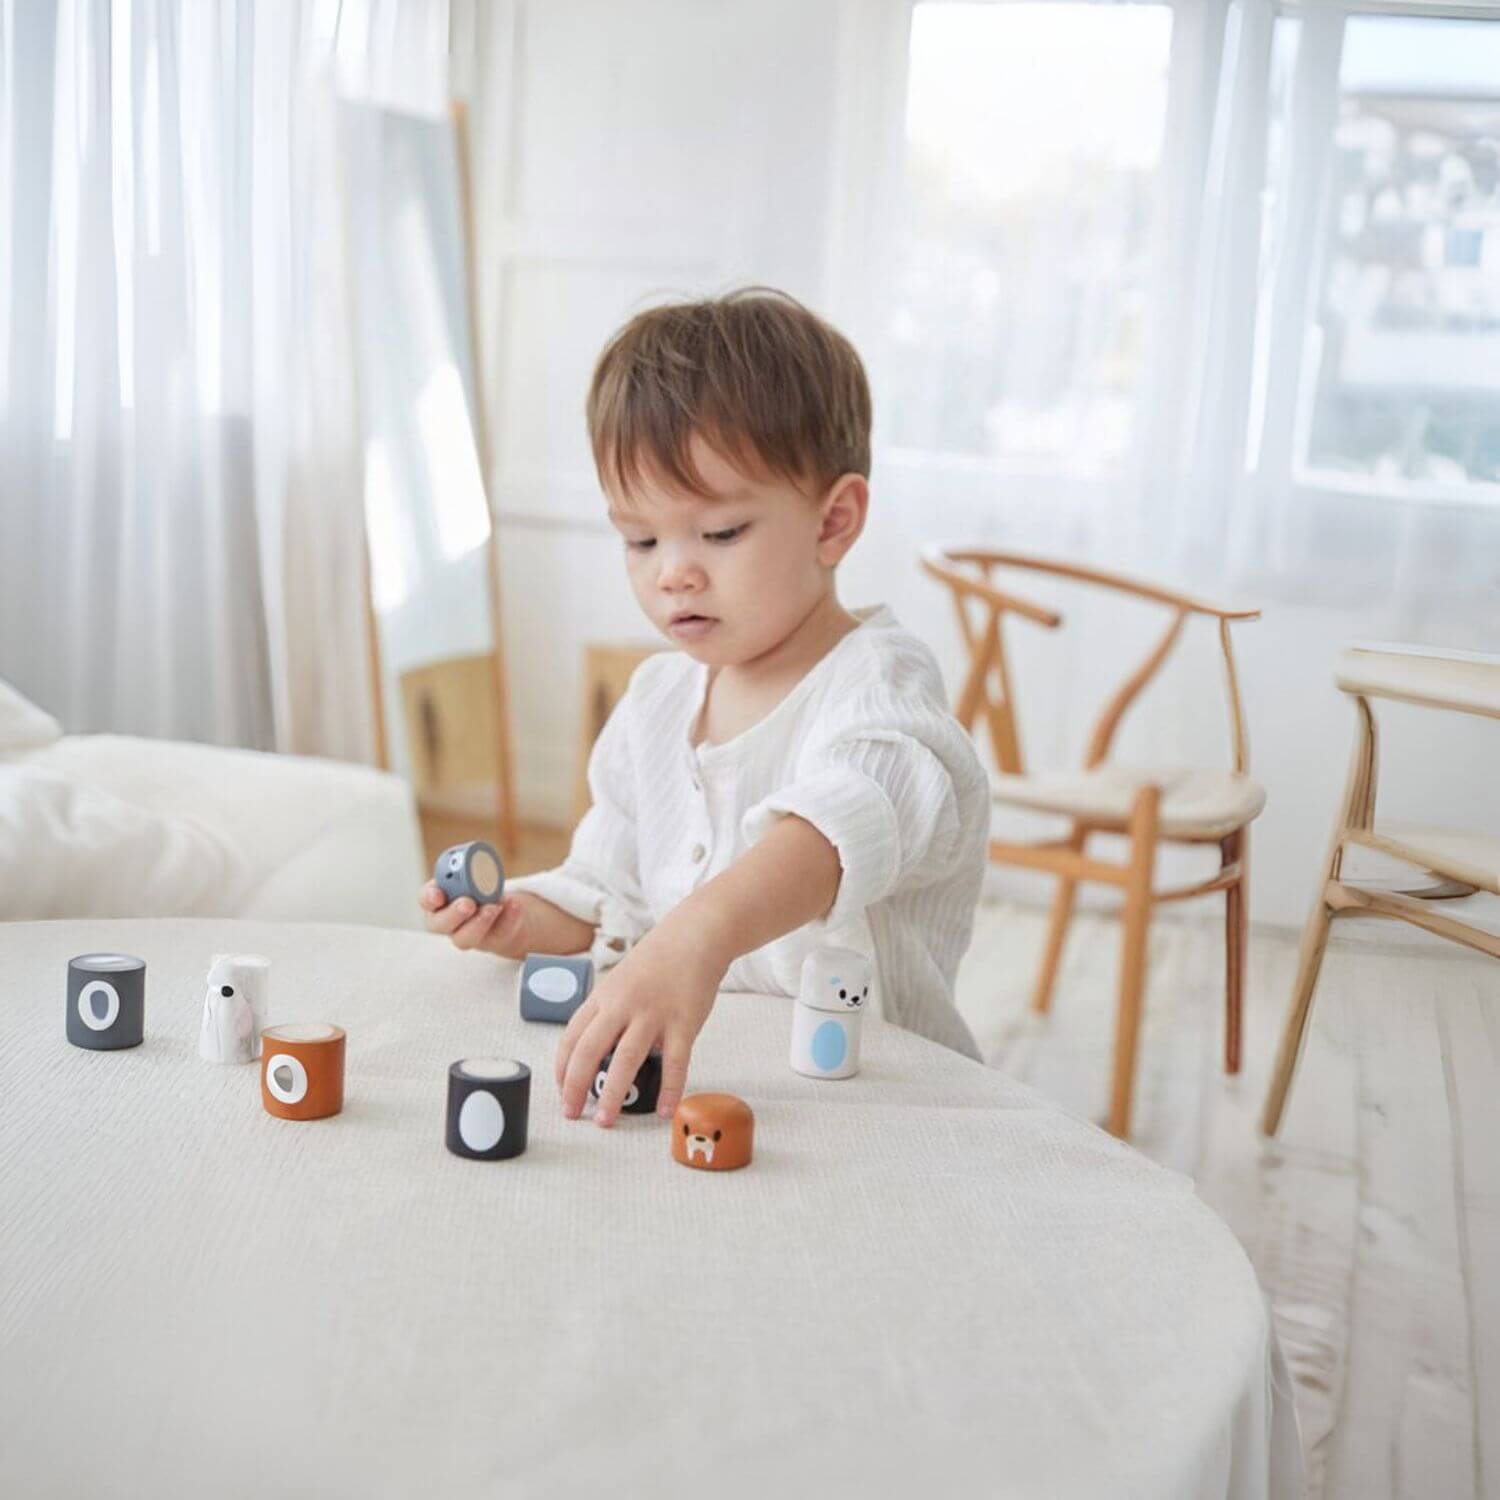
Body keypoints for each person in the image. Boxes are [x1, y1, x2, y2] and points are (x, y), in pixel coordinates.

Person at [421, 288, 988, 1126]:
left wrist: (697, 934)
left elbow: (845, 824)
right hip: (717, 1088)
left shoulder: (881, 683)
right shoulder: (657, 700)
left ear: (833, 522)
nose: (672, 572)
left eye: (719, 533)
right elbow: (606, 889)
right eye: (641, 539)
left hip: (883, 1104)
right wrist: (522, 923)